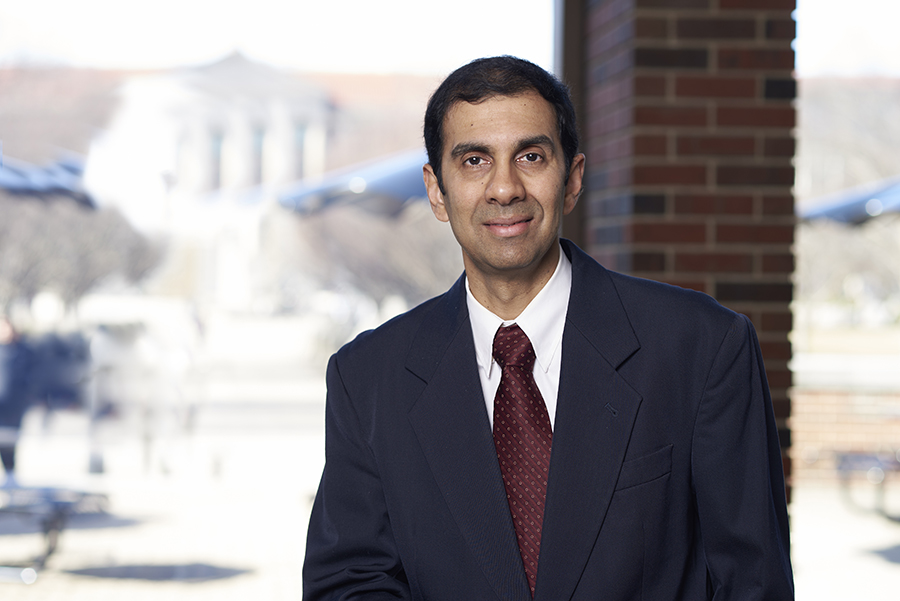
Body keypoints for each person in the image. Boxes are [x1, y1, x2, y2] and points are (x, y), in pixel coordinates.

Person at [302, 56, 793, 600]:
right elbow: (349, 584)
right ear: (437, 191)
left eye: (530, 156)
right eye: (474, 161)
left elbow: (754, 583)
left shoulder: (702, 349)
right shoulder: (368, 378)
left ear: (573, 178)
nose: (505, 188)